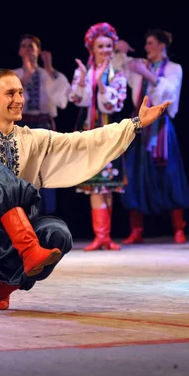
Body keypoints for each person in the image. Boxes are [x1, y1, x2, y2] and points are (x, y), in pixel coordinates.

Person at [0, 69, 170, 310]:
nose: (19, 99)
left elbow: (83, 142)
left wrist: (134, 124)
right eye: (10, 93)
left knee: (59, 234)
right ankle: (29, 250)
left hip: (11, 247)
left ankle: (7, 284)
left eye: (20, 92)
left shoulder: (35, 139)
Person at [113, 29, 189, 244]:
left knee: (169, 174)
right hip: (139, 125)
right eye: (146, 44)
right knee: (136, 174)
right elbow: (116, 66)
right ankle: (136, 229)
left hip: (161, 126)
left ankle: (178, 227)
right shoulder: (139, 64)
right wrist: (119, 50)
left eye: (150, 43)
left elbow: (169, 93)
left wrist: (145, 73)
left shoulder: (174, 69)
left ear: (161, 45)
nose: (146, 47)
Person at [68, 22, 127, 251]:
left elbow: (115, 104)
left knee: (108, 184)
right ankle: (100, 235)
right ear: (91, 48)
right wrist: (85, 80)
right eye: (100, 46)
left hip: (109, 130)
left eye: (108, 46)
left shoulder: (117, 75)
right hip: (89, 130)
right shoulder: (83, 72)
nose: (104, 50)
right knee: (95, 185)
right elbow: (77, 99)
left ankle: (106, 236)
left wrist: (101, 85)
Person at [14, 34, 70, 215]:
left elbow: (61, 101)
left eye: (32, 46)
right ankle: (24, 219)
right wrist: (28, 75)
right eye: (24, 46)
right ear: (19, 51)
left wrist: (49, 69)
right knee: (22, 172)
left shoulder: (50, 74)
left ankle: (47, 217)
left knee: (45, 173)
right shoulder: (14, 75)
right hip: (21, 126)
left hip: (43, 125)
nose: (28, 49)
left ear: (39, 50)